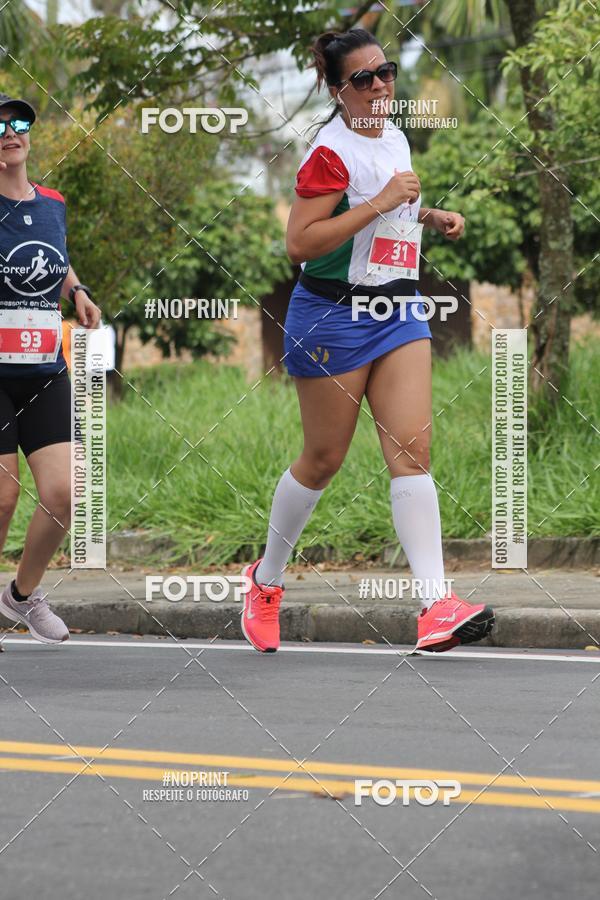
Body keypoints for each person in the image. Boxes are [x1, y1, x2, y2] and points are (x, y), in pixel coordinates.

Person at [241, 30, 495, 654]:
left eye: (385, 72)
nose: (380, 85)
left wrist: (427, 216)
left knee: (411, 448)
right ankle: (265, 580)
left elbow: (387, 213)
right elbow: (301, 243)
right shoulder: (329, 152)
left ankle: (434, 606)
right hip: (332, 318)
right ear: (337, 90)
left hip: (398, 307)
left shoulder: (396, 133)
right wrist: (383, 200)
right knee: (323, 459)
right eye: (363, 79)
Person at [0, 93, 101, 644]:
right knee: (3, 497)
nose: (11, 133)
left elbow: (52, 257)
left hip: (44, 368)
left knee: (62, 495)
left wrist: (77, 290)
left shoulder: (53, 202)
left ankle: (20, 596)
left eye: (17, 123)